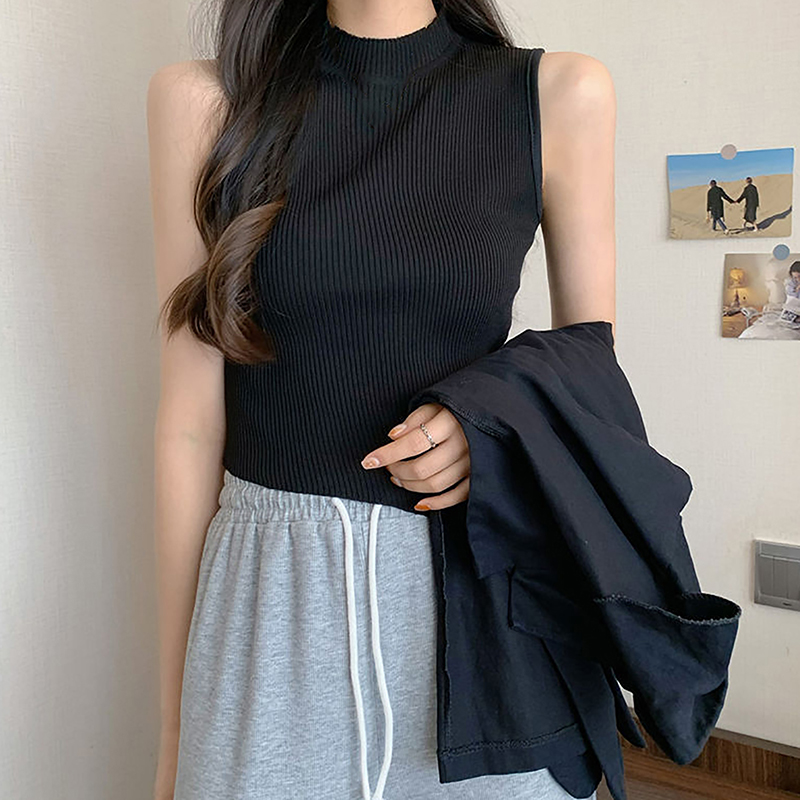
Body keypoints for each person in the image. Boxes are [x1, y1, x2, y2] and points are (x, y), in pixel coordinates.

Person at [146, 1, 615, 798]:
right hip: (271, 598)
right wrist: (173, 728)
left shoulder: (557, 94)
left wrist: (490, 428)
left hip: (481, 604)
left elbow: (590, 373)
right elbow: (188, 430)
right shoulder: (205, 102)